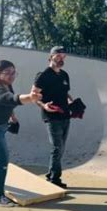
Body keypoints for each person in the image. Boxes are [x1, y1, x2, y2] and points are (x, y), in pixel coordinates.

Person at [0, 60, 42, 207]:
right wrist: (30, 98)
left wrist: (12, 117)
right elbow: (10, 98)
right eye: (7, 73)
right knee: (2, 161)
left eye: (13, 72)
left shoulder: (6, 84)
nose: (11, 76)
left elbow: (8, 103)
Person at [33, 46, 74, 189]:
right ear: (50, 57)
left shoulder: (65, 75)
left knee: (61, 148)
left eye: (63, 56)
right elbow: (34, 95)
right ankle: (54, 179)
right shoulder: (43, 75)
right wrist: (43, 105)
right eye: (58, 55)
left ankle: (51, 174)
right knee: (57, 147)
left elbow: (66, 94)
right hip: (51, 116)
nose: (61, 58)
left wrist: (72, 102)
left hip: (65, 116)